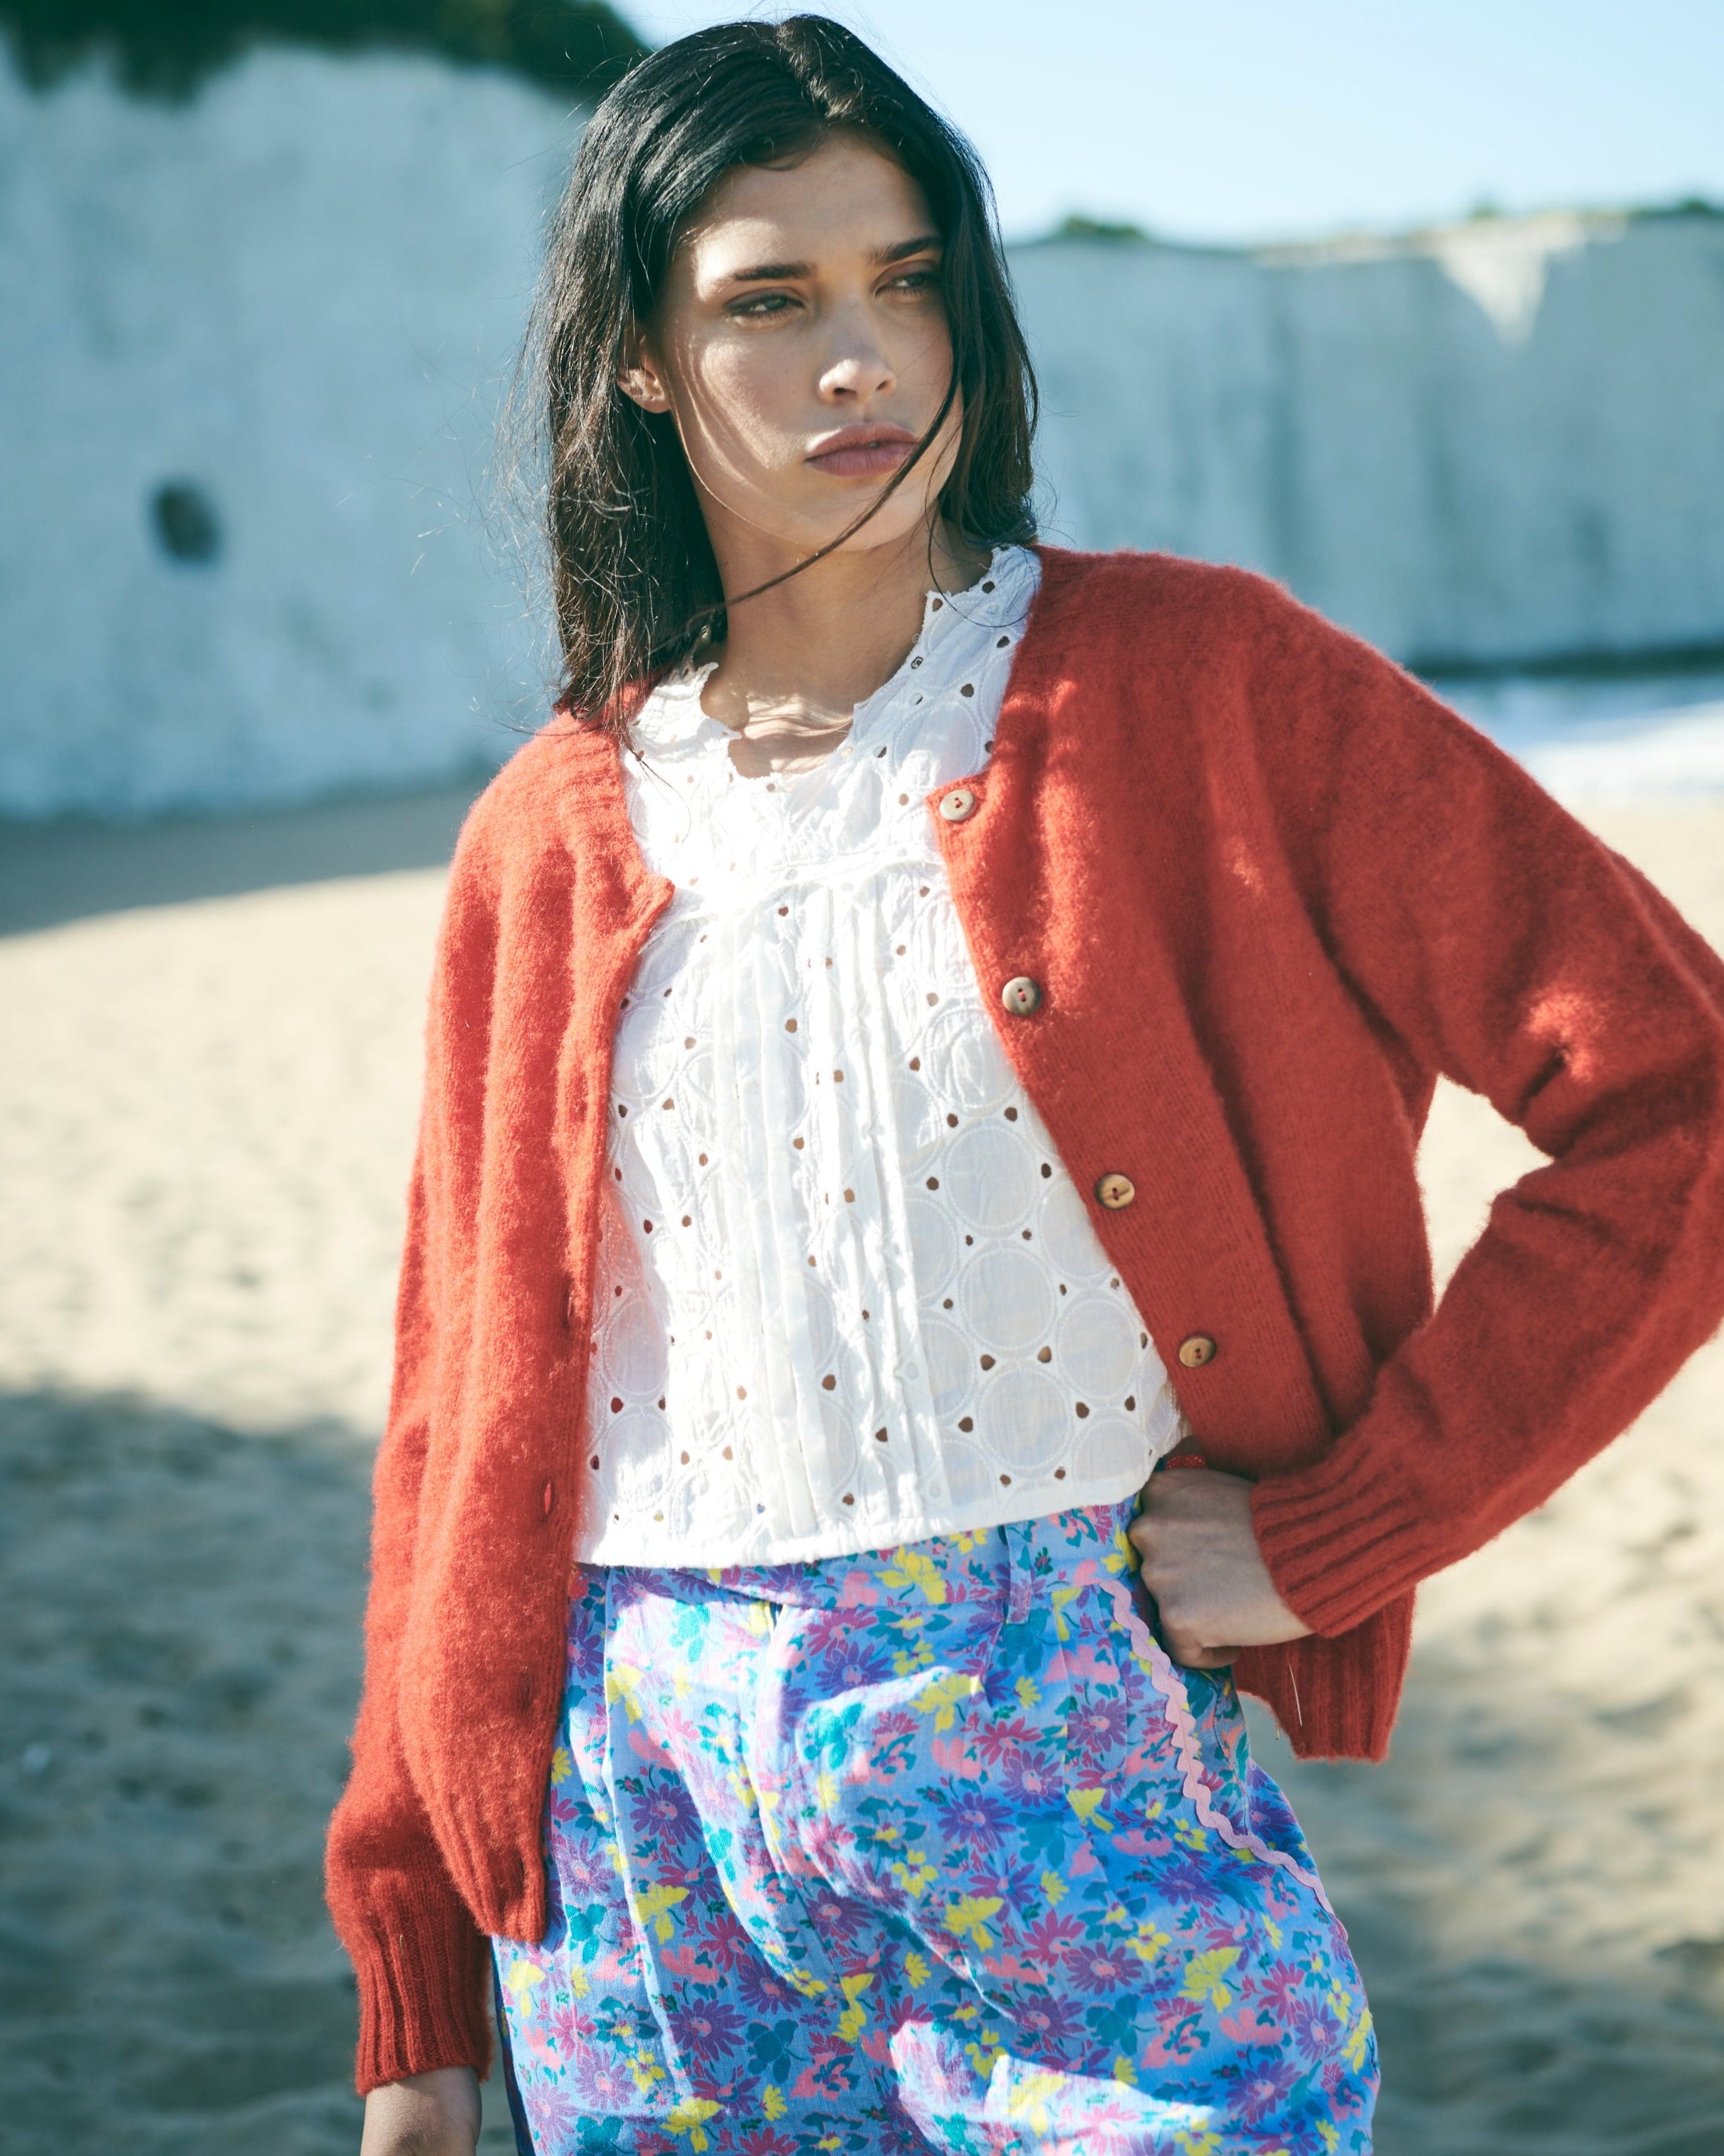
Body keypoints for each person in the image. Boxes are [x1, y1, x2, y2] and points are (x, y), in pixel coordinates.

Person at [327, 18, 1724, 2156]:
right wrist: (418, 1980)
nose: (861, 356)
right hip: (638, 1812)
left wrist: (1347, 1528)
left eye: (907, 281)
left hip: (1070, 1712)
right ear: (633, 354)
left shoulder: (1205, 683)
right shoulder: (555, 823)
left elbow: (1680, 1091)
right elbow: (461, 1419)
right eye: (770, 301)